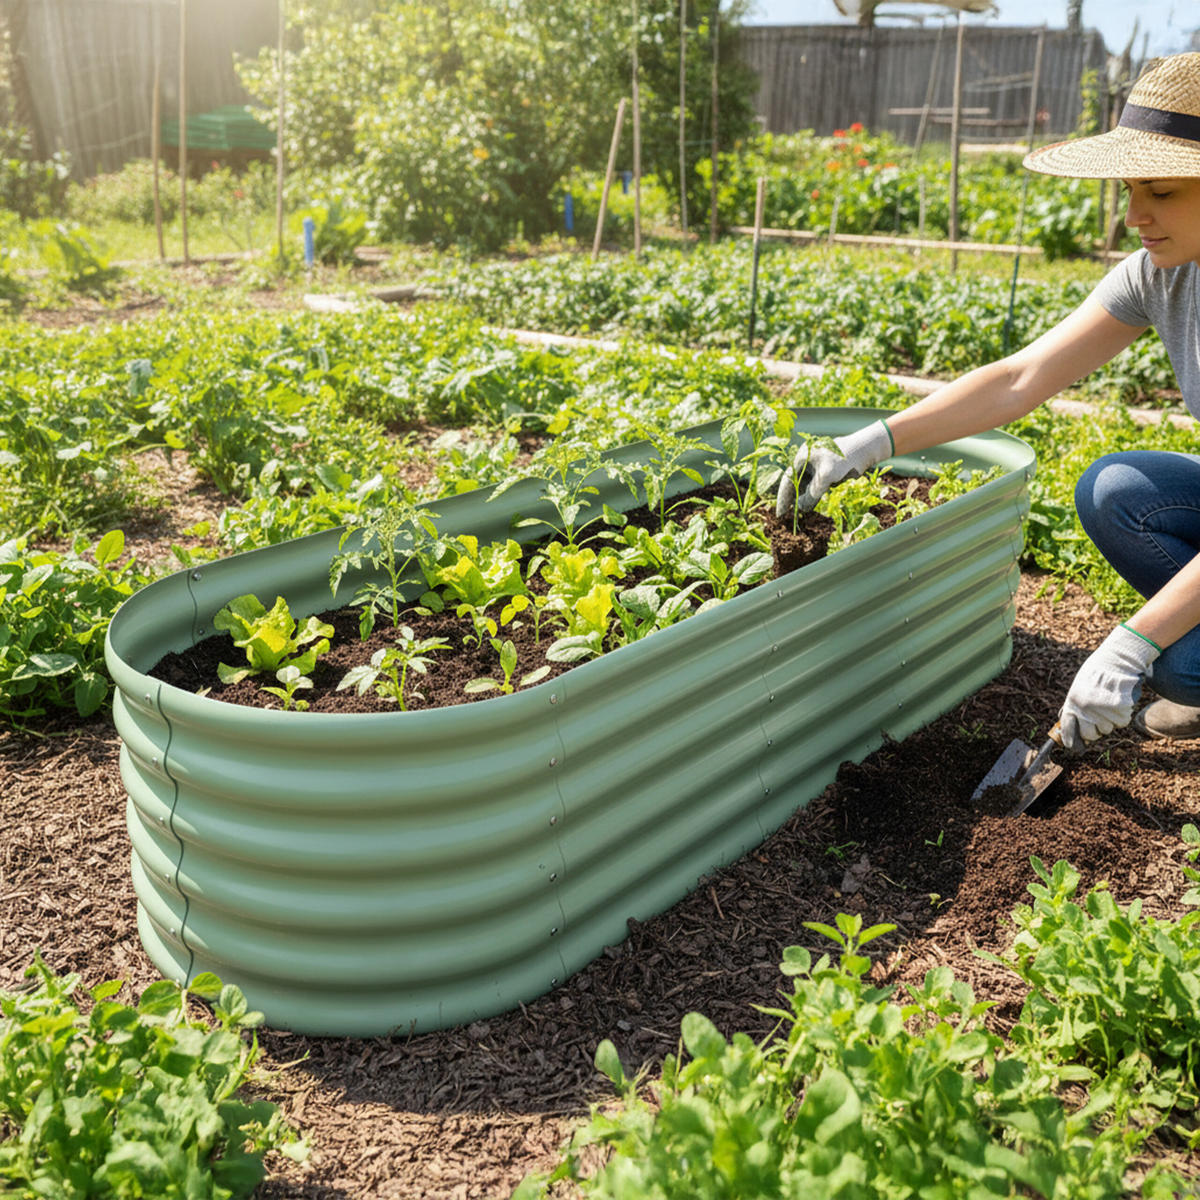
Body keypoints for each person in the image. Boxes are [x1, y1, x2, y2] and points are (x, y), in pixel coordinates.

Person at [776, 51, 1200, 752]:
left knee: (1180, 662)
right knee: (1115, 491)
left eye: (1159, 190)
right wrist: (869, 444)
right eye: (1130, 189)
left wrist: (1132, 642)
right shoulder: (1163, 275)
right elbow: (1020, 376)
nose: (1133, 215)